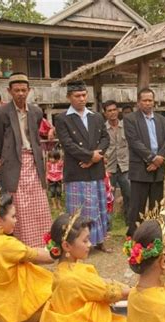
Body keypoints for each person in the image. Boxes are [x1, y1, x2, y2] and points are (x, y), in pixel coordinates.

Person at [38, 213, 130, 322]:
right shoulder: (74, 278)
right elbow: (110, 292)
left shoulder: (61, 270)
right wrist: (136, 290)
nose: (90, 244)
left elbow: (99, 283)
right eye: (85, 241)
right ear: (66, 246)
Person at [0, 72, 52, 247]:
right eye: (16, 90)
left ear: (29, 90)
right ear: (9, 91)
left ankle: (42, 244)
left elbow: (35, 136)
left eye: (23, 90)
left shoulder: (36, 111)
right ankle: (22, 245)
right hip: (14, 163)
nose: (20, 94)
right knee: (19, 205)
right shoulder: (0, 112)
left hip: (33, 162)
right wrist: (7, 159)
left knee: (39, 204)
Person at [0, 191, 53, 322]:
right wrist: (57, 251)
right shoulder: (6, 244)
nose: (16, 220)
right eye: (13, 216)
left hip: (3, 305)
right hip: (18, 307)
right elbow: (40, 255)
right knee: (59, 300)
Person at [55, 80, 111, 253]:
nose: (81, 98)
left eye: (84, 95)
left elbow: (105, 138)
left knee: (99, 207)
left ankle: (99, 241)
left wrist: (95, 157)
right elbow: (68, 144)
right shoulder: (62, 118)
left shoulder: (96, 117)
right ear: (69, 97)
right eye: (77, 96)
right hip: (77, 170)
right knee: (80, 210)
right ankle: (77, 245)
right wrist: (89, 156)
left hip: (95, 169)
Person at [124, 88, 165, 236]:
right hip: (140, 168)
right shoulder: (131, 119)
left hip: (158, 168)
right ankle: (134, 235)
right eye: (145, 100)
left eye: (150, 100)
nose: (148, 103)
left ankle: (155, 234)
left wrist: (158, 160)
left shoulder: (162, 120)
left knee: (156, 204)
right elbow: (134, 142)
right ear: (138, 102)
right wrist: (151, 158)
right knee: (137, 205)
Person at [103, 100, 131, 226]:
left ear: (118, 111)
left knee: (129, 195)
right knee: (108, 198)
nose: (113, 113)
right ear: (105, 113)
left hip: (125, 167)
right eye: (109, 111)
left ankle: (130, 223)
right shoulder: (102, 129)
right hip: (109, 168)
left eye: (114, 110)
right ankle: (107, 225)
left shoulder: (127, 126)